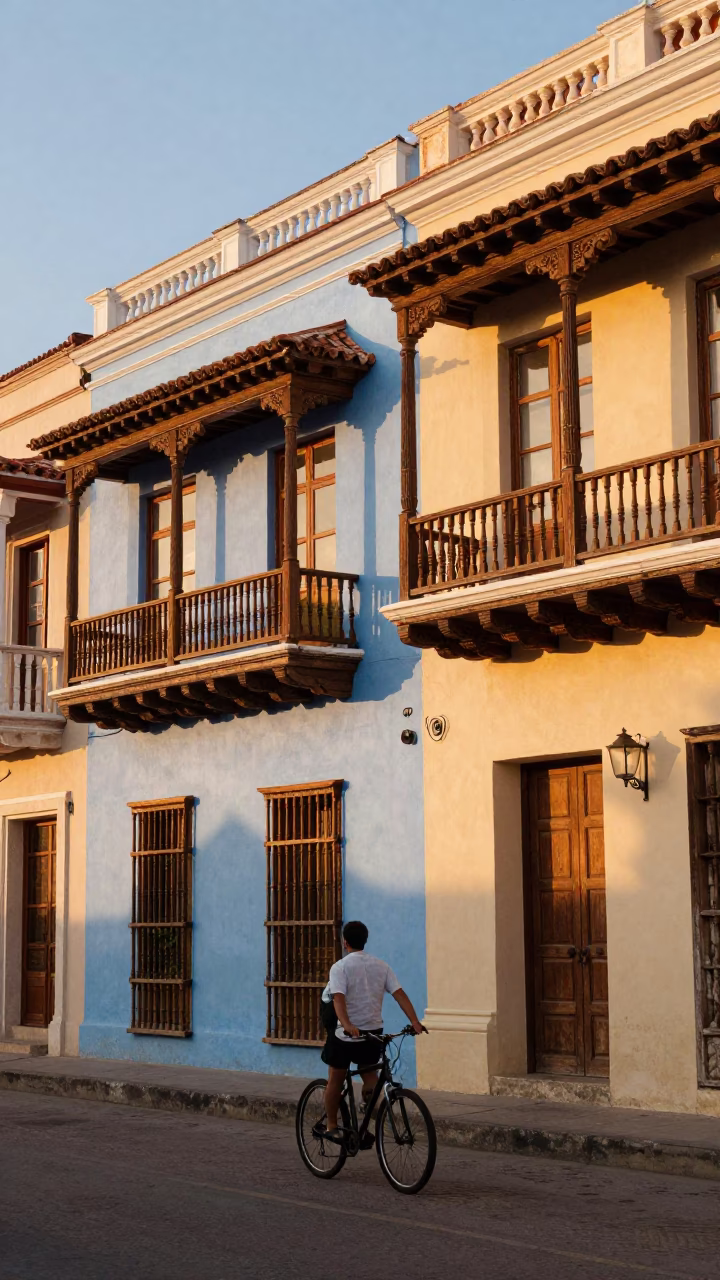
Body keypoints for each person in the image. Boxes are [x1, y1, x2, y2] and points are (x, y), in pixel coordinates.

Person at [321, 919, 426, 1143]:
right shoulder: (382, 965)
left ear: (345, 942)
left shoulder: (340, 967)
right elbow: (399, 994)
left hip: (347, 1034)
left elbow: (338, 999)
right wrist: (415, 1022)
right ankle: (347, 1124)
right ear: (365, 941)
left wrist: (348, 1025)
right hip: (372, 1033)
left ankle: (334, 1125)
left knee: (338, 1079)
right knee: (369, 1077)